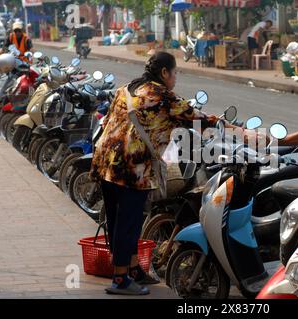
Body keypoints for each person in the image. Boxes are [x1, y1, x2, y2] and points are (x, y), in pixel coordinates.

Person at [90, 52, 224, 295]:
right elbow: (193, 116)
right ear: (164, 73)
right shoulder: (161, 94)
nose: (175, 78)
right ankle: (120, 280)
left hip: (105, 161)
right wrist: (220, 122)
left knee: (120, 220)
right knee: (128, 223)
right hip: (131, 168)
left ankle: (132, 270)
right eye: (175, 73)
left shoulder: (127, 88)